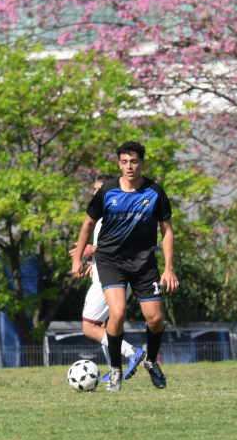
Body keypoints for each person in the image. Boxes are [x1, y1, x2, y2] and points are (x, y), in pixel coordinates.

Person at [71, 141, 178, 391]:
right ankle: (116, 368)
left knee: (155, 319)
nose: (129, 166)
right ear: (119, 163)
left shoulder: (155, 192)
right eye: (124, 161)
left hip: (143, 262)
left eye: (134, 161)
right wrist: (78, 258)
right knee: (117, 313)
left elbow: (167, 230)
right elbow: (87, 225)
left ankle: (151, 361)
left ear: (142, 162)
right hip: (111, 260)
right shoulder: (107, 191)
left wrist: (169, 268)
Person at [68, 174, 147, 384]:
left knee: (89, 327)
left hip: (112, 276)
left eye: (99, 189)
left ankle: (132, 353)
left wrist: (88, 251)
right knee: (105, 325)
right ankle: (115, 375)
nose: (95, 193)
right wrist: (93, 262)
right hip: (117, 273)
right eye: (94, 189)